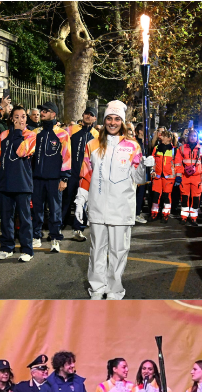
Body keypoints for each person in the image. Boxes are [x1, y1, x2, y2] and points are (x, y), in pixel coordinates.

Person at [75, 100, 146, 300]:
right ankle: (97, 288)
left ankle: (114, 289)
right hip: (97, 206)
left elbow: (139, 180)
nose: (112, 122)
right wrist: (81, 198)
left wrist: (145, 167)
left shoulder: (132, 146)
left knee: (118, 251)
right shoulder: (93, 144)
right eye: (109, 118)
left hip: (122, 208)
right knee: (97, 250)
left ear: (122, 122)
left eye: (117, 119)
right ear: (104, 120)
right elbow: (86, 173)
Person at [0, 106, 37, 262]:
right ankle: (7, 247)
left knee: (25, 218)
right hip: (5, 183)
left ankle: (27, 249)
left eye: (23, 116)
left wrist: (18, 132)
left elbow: (22, 152)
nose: (20, 119)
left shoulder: (31, 135)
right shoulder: (3, 135)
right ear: (11, 118)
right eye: (17, 116)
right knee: (6, 218)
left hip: (23, 183)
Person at [30, 101, 71, 254]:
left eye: (46, 111)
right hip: (37, 179)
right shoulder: (35, 133)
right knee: (37, 210)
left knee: (55, 210)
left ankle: (55, 238)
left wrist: (64, 178)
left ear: (54, 114)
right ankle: (36, 235)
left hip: (55, 179)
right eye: (41, 111)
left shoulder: (62, 134)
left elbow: (67, 157)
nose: (42, 113)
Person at [64, 107, 98, 241]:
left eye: (91, 115)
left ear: (95, 118)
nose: (88, 116)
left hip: (86, 174)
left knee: (82, 202)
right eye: (86, 114)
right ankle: (58, 228)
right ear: (83, 115)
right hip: (71, 171)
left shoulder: (97, 135)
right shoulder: (72, 129)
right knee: (66, 199)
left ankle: (78, 229)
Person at [173, 128, 202, 224]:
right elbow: (177, 163)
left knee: (196, 197)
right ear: (188, 137)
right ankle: (184, 217)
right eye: (191, 135)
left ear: (197, 137)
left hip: (197, 177)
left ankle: (194, 217)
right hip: (184, 176)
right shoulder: (181, 148)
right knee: (184, 197)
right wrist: (178, 175)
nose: (192, 137)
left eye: (194, 136)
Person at [148, 130, 176, 221]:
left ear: (169, 138)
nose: (161, 137)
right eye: (161, 136)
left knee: (166, 196)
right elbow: (152, 161)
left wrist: (177, 176)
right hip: (157, 176)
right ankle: (154, 213)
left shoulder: (174, 150)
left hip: (169, 177)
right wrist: (152, 171)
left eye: (163, 136)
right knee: (156, 195)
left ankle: (165, 214)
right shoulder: (156, 148)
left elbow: (177, 164)